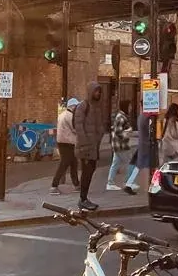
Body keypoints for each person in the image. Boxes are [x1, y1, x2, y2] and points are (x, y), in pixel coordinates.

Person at [74, 82, 106, 210]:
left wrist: (99, 137)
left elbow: (99, 126)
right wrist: (85, 144)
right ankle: (82, 199)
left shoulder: (97, 107)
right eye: (96, 91)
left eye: (99, 91)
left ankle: (84, 198)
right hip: (85, 148)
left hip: (94, 147)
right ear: (90, 92)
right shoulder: (83, 106)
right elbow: (79, 127)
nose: (98, 93)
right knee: (86, 173)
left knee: (90, 172)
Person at [50, 98, 80, 194]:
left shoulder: (62, 115)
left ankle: (76, 184)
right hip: (68, 142)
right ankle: (54, 186)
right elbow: (75, 129)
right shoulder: (70, 116)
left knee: (73, 163)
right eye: (76, 106)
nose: (77, 108)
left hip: (62, 141)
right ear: (72, 106)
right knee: (64, 163)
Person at [126, 101, 154, 193]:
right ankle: (129, 184)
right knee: (147, 165)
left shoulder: (140, 116)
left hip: (142, 144)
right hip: (146, 145)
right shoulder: (147, 118)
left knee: (139, 165)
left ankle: (129, 184)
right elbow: (151, 131)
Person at [106, 101, 134, 192]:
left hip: (118, 145)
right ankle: (127, 184)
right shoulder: (121, 117)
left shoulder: (121, 116)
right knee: (130, 163)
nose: (130, 108)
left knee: (115, 164)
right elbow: (118, 132)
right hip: (121, 145)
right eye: (129, 106)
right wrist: (128, 132)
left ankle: (110, 183)